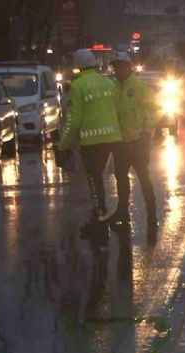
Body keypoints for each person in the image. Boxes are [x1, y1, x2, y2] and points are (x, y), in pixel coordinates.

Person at [58, 49, 123, 238]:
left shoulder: (77, 87)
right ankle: (111, 212)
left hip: (91, 141)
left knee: (94, 179)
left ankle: (99, 217)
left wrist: (64, 144)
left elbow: (74, 120)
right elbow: (118, 109)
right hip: (113, 138)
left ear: (78, 66)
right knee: (106, 176)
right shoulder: (108, 83)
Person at [105, 53, 158, 232]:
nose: (117, 70)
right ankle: (122, 212)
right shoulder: (113, 87)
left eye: (120, 66)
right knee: (120, 178)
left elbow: (153, 110)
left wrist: (146, 132)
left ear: (128, 67)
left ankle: (152, 214)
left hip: (138, 142)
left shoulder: (139, 87)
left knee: (144, 178)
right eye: (115, 66)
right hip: (120, 143)